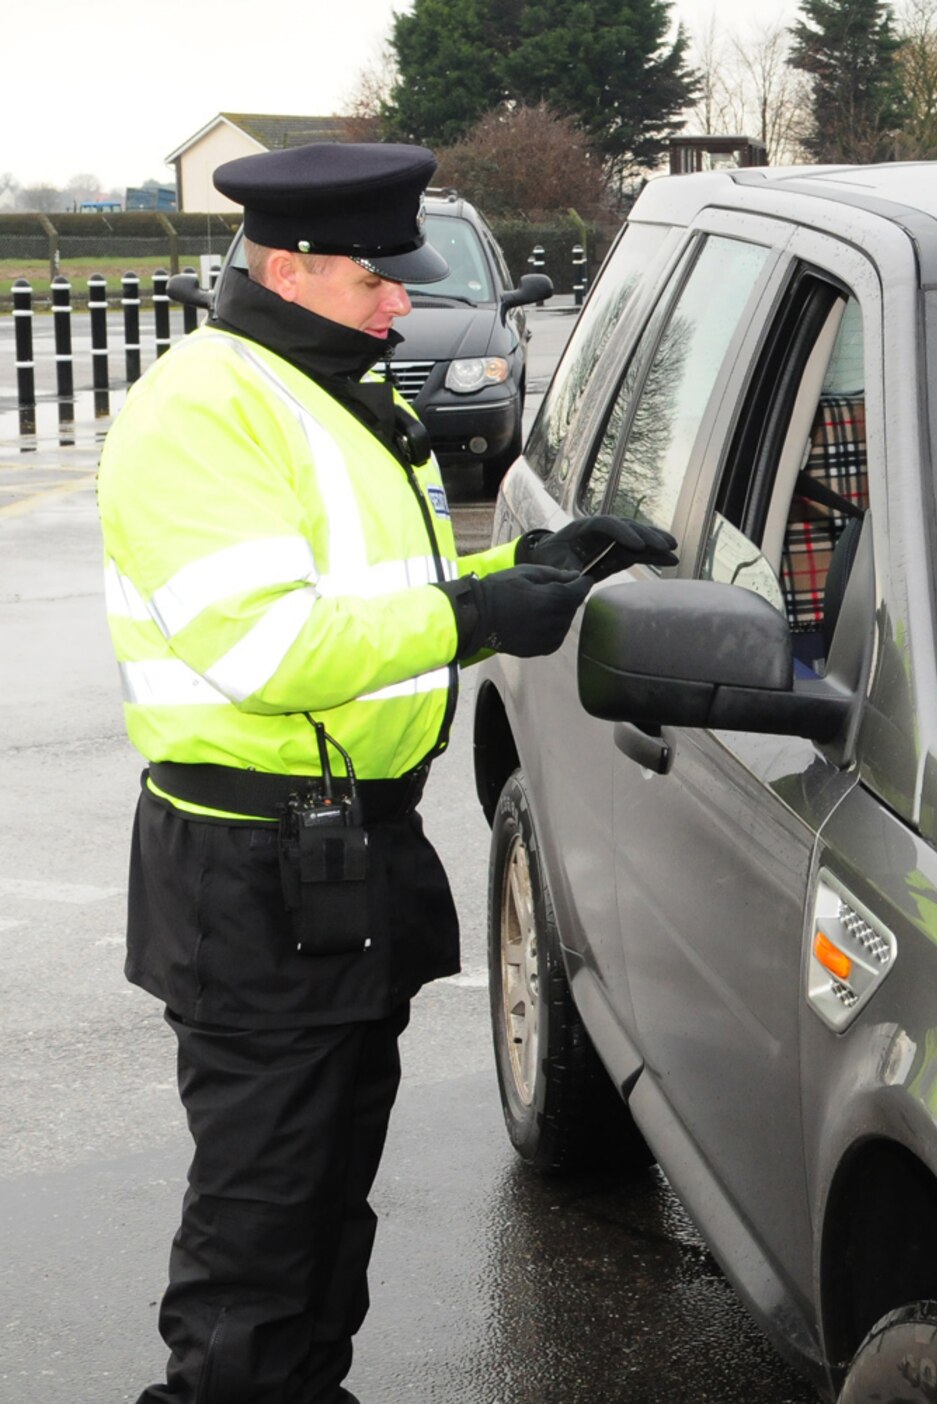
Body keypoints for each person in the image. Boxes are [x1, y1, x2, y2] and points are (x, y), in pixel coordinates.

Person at [96, 142, 675, 1404]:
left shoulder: (326, 388)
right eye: (376, 278)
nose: (401, 299)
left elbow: (375, 590)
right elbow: (266, 648)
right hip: (253, 863)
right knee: (261, 1226)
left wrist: (533, 569)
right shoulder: (207, 409)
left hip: (344, 849)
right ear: (290, 269)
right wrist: (475, 618)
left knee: (325, 1198)